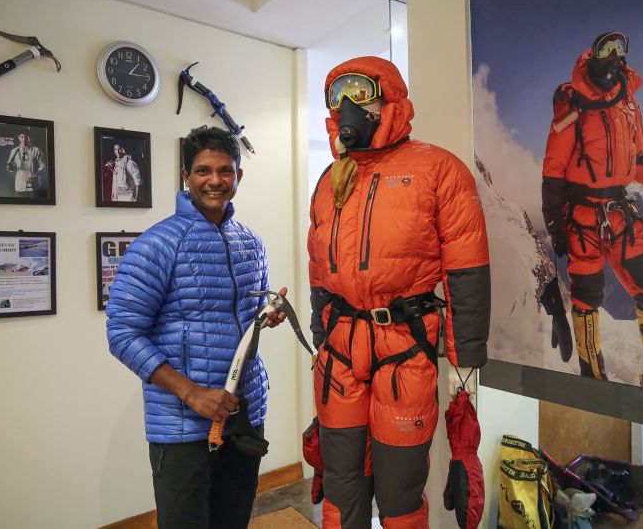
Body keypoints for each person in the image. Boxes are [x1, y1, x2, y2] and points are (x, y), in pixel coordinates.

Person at [307, 56, 491, 528]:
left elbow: (467, 268)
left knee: (399, 489)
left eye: (360, 92)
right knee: (341, 482)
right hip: (341, 351)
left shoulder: (439, 170)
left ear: (388, 95)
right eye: (336, 95)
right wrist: (320, 333)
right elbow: (318, 268)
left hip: (406, 348)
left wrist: (465, 360)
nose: (348, 106)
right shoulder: (329, 182)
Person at [106, 126, 287, 529]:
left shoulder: (250, 243)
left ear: (238, 176)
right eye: (204, 171)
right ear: (186, 175)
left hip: (244, 413)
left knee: (233, 520)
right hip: (183, 423)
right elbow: (122, 334)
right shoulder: (157, 245)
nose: (216, 181)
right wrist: (191, 393)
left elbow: (237, 316)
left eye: (226, 171)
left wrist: (265, 317)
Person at [542, 31, 643, 395]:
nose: (613, 56)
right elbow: (552, 172)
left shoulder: (628, 103)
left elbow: (635, 164)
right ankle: (593, 379)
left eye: (619, 48)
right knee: (586, 297)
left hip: (619, 212)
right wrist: (555, 224)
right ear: (592, 57)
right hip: (581, 218)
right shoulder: (571, 105)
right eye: (605, 48)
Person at [6, 130, 46, 196]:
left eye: (26, 137)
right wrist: (9, 167)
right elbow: (11, 168)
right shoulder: (14, 151)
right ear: (19, 137)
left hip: (34, 187)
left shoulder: (36, 150)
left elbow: (43, 166)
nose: (24, 139)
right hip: (20, 187)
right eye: (22, 137)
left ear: (29, 138)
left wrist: (34, 176)